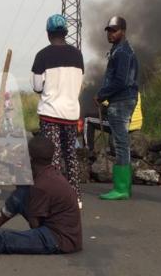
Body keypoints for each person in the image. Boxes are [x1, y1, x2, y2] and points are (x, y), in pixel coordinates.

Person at [31, 14, 84, 208]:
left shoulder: (42, 55)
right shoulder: (77, 55)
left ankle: (54, 199)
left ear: (48, 34)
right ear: (66, 32)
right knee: (70, 154)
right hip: (71, 112)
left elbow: (37, 86)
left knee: (52, 158)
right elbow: (79, 81)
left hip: (50, 112)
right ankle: (76, 197)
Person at [94, 16, 139, 201]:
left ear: (123, 30)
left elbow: (120, 81)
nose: (110, 34)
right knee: (121, 142)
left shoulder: (122, 52)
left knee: (120, 143)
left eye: (114, 30)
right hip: (123, 99)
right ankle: (124, 186)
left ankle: (121, 188)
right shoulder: (119, 50)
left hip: (121, 100)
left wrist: (102, 94)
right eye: (109, 31)